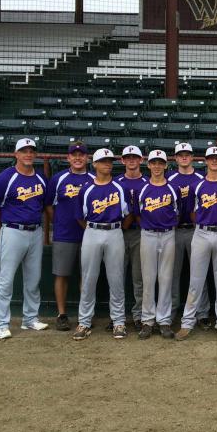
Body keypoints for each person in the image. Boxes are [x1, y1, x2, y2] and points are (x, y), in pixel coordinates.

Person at [0, 138, 49, 339]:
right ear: (16, 154)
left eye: (31, 151)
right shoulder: (6, 177)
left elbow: (45, 207)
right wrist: (2, 228)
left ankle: (30, 319)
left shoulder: (40, 178)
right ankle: (1, 323)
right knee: (6, 280)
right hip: (12, 230)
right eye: (24, 151)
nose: (28, 154)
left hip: (35, 231)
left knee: (33, 279)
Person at [176, 146, 217, 341]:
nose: (214, 161)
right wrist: (203, 225)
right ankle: (187, 322)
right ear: (205, 161)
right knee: (196, 279)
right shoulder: (198, 185)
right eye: (211, 158)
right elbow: (192, 212)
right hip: (201, 232)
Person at [72, 148, 133, 341]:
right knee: (89, 278)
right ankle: (84, 322)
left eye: (109, 161)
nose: (107, 164)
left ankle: (119, 321)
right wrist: (93, 228)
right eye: (103, 161)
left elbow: (128, 215)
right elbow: (80, 217)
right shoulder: (87, 188)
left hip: (115, 231)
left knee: (116, 278)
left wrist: (116, 229)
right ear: (95, 164)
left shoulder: (119, 187)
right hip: (92, 231)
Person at [45, 142, 93, 331]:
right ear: (68, 158)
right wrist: (57, 222)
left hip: (89, 234)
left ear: (87, 158)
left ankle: (84, 315)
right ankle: (62, 314)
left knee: (86, 275)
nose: (78, 158)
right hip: (64, 233)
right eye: (74, 155)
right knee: (61, 274)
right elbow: (48, 204)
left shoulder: (93, 178)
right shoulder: (59, 179)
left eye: (81, 155)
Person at [168, 142, 211, 330]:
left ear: (193, 157)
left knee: (199, 274)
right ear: (176, 158)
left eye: (187, 154)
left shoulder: (202, 177)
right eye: (180, 154)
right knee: (172, 273)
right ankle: (171, 312)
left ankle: (202, 313)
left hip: (197, 230)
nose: (184, 157)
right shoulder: (169, 178)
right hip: (175, 231)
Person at [136, 150, 178, 340]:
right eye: (154, 162)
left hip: (168, 234)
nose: (157, 166)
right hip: (148, 234)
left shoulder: (173, 189)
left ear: (166, 165)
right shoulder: (142, 189)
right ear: (148, 165)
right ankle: (147, 320)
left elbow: (178, 212)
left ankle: (164, 321)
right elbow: (138, 213)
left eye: (160, 163)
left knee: (166, 278)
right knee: (148, 278)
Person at [116, 145, 147, 330]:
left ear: (141, 159)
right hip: (118, 232)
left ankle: (139, 315)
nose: (131, 160)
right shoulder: (117, 182)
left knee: (139, 277)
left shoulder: (148, 182)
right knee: (117, 276)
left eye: (135, 157)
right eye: (128, 157)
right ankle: (117, 316)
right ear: (122, 160)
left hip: (140, 233)